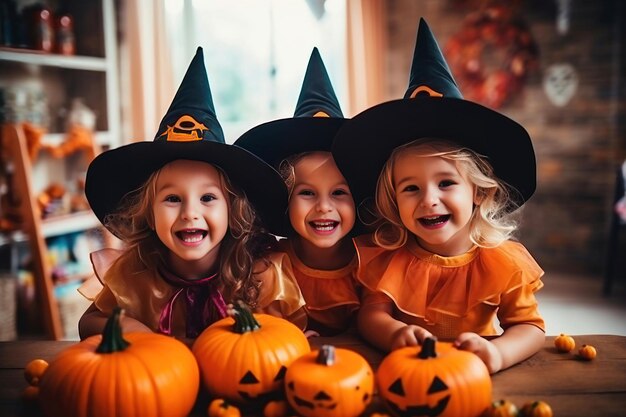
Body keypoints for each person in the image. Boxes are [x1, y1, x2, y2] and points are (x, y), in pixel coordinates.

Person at [331, 18, 545, 373]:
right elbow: (372, 314)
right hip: (407, 371)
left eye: (446, 184)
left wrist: (499, 353)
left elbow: (530, 328)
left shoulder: (502, 263)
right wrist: (394, 334)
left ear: (478, 192)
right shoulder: (390, 258)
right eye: (411, 188)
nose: (429, 199)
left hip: (469, 374)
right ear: (394, 200)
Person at [77, 47, 288, 344]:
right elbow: (89, 322)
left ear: (233, 210)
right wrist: (137, 332)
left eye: (208, 198)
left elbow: (285, 336)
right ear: (148, 212)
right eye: (173, 199)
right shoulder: (136, 273)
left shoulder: (258, 273)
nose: (190, 212)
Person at [234, 48, 363, 336]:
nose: (324, 207)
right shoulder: (271, 268)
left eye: (339, 193)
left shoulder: (371, 262)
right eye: (307, 193)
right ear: (286, 199)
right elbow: (263, 337)